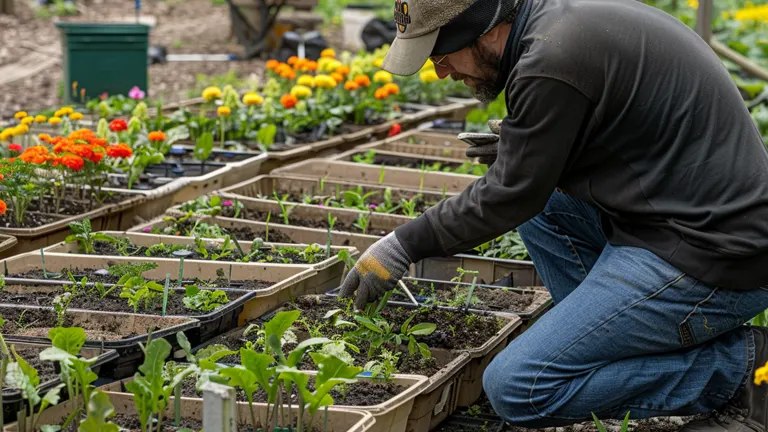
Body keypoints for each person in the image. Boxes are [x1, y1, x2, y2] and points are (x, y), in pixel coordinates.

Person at [338, 0, 768, 430]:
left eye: (442, 54)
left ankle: (745, 368)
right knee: (547, 209)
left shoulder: (551, 58)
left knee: (519, 386)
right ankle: (606, 345)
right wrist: (534, 149)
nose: (442, 72)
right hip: (683, 218)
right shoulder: (556, 24)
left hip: (718, 254)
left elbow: (510, 195)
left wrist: (402, 245)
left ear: (483, 30)